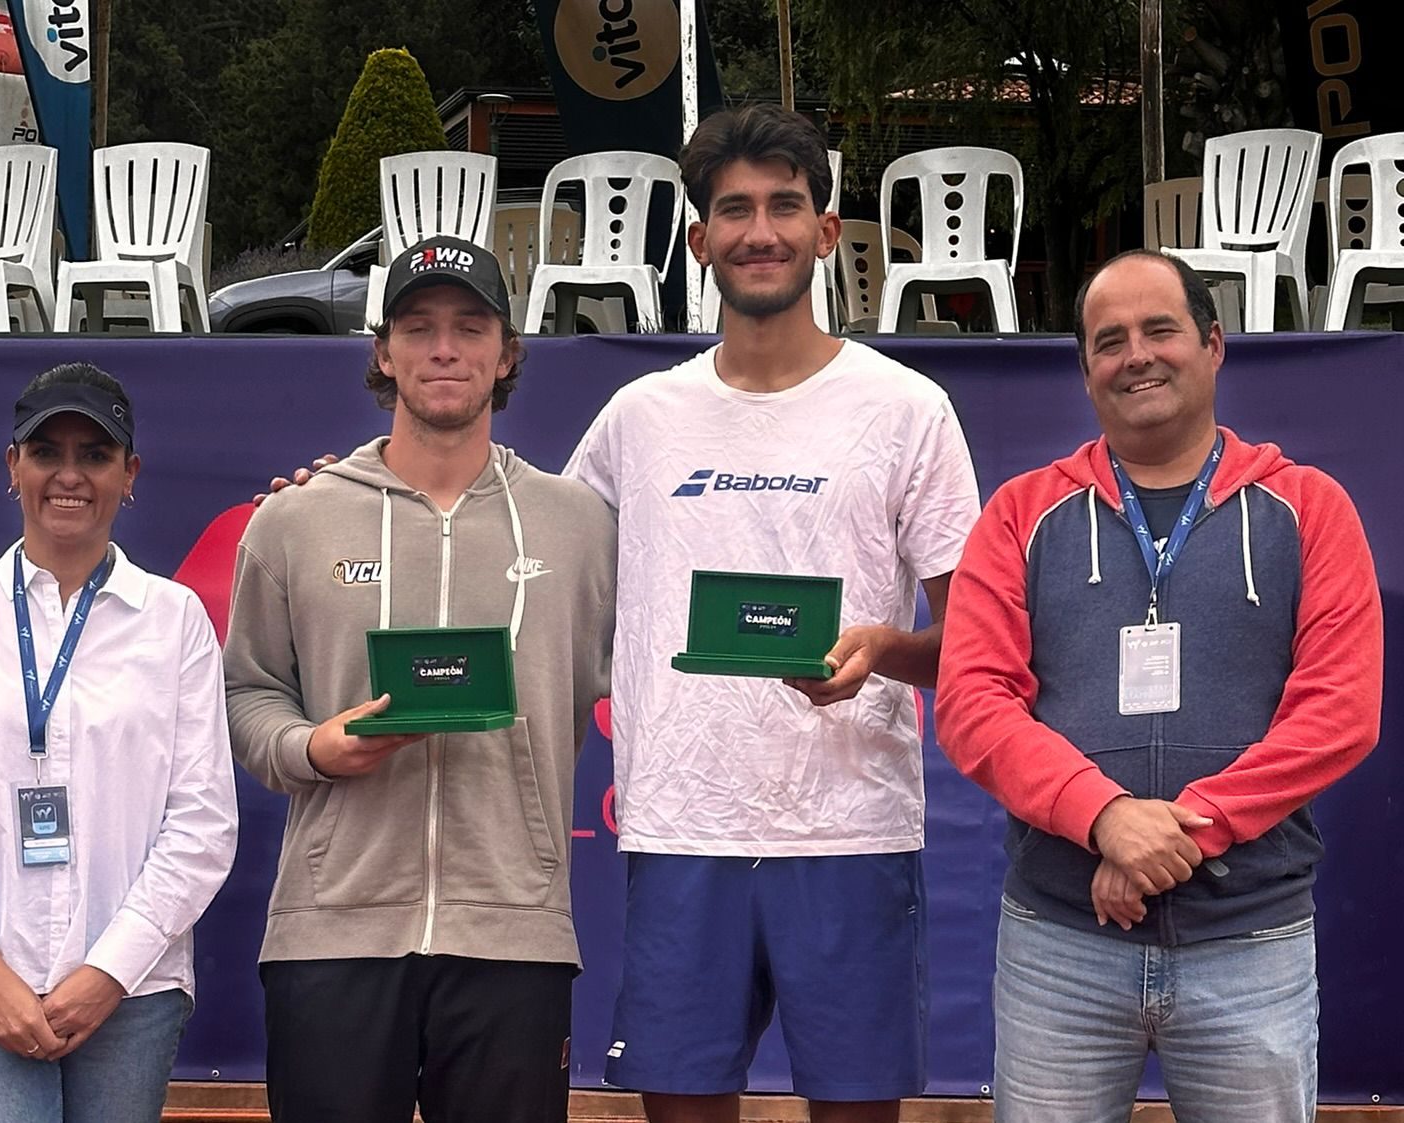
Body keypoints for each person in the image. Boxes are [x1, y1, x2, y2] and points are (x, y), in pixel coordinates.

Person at [563, 104, 981, 1123]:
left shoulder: (906, 408)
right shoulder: (638, 418)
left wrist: (881, 651)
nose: (762, 230)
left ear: (827, 231)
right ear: (699, 241)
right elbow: (537, 560)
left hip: (849, 833)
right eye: (735, 210)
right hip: (682, 828)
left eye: (786, 205)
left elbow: (976, 639)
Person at [934, 249, 1384, 1122]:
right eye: (1109, 341)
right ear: (1085, 369)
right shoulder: (1021, 514)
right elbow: (973, 701)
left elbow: (1339, 712)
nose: (1135, 354)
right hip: (1060, 946)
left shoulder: (1310, 508)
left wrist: (1174, 837)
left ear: (1214, 345)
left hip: (1251, 944)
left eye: (1159, 330)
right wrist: (1104, 816)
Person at [223, 235, 617, 1123]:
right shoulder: (295, 521)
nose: (445, 348)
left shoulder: (580, 524)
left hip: (513, 930)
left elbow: (647, 678)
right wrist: (313, 747)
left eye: (471, 327)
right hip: (332, 926)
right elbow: (245, 694)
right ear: (382, 351)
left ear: (508, 353)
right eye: (420, 326)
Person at [0, 362, 240, 1123]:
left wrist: (106, 972)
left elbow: (203, 823)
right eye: (46, 451)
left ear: (130, 473)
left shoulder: (174, 622)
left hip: (130, 990)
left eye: (95, 454)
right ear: (14, 466)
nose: (69, 475)